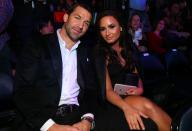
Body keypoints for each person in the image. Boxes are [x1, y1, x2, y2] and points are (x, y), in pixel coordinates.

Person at [13, 3, 95, 131]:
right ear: (65, 17)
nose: (81, 26)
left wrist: (87, 119)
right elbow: (22, 91)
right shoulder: (37, 45)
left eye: (86, 23)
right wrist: (51, 127)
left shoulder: (86, 51)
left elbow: (90, 90)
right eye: (77, 18)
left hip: (77, 117)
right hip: (43, 118)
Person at [94, 10, 171, 131]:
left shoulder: (127, 47)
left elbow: (135, 74)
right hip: (116, 100)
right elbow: (107, 91)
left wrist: (140, 88)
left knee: (150, 109)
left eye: (111, 27)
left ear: (120, 28)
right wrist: (127, 109)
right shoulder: (101, 54)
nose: (107, 33)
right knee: (148, 106)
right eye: (102, 29)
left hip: (130, 94)